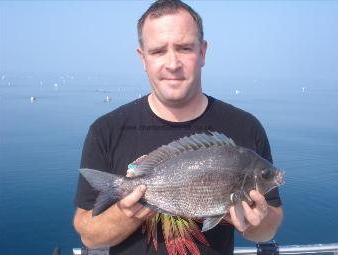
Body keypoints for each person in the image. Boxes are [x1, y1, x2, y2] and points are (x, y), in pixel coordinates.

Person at [73, 0, 283, 254]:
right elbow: (89, 237)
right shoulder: (106, 131)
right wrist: (127, 212)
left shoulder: (246, 128)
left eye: (184, 48)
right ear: (143, 58)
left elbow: (269, 228)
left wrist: (255, 223)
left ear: (202, 52)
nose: (172, 63)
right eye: (158, 51)